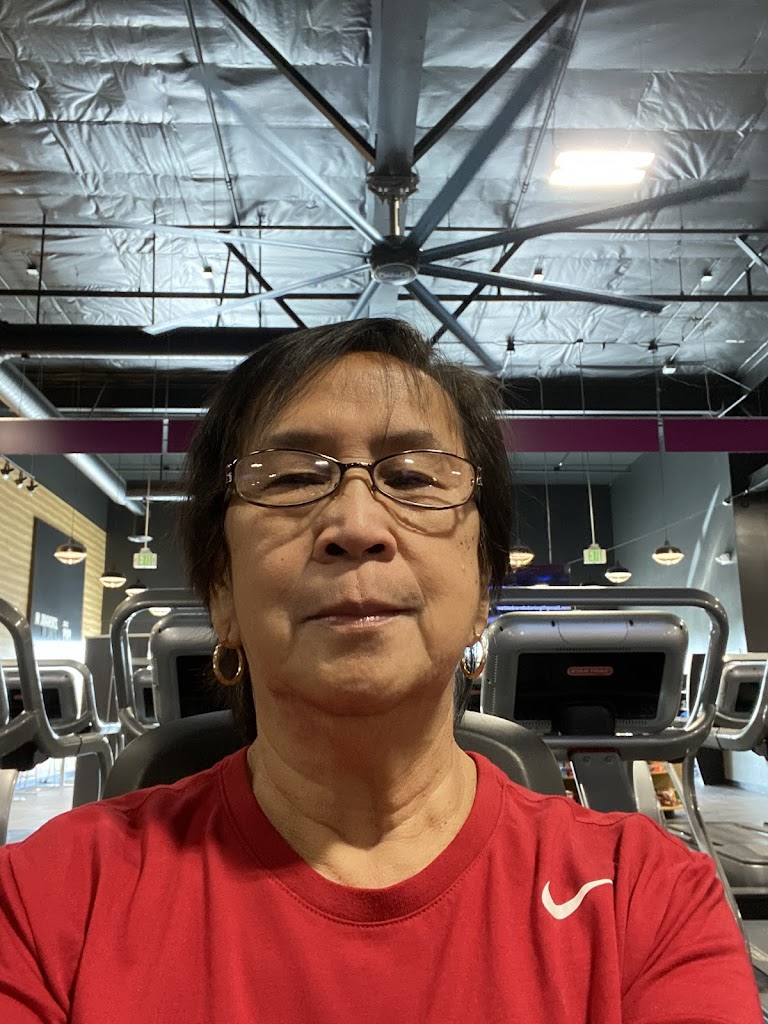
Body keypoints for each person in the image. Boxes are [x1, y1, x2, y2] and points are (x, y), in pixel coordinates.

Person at [0, 317, 761, 1023]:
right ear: (222, 593)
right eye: (291, 478)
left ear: (482, 592)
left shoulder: (650, 897)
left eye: (415, 477)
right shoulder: (48, 900)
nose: (357, 525)